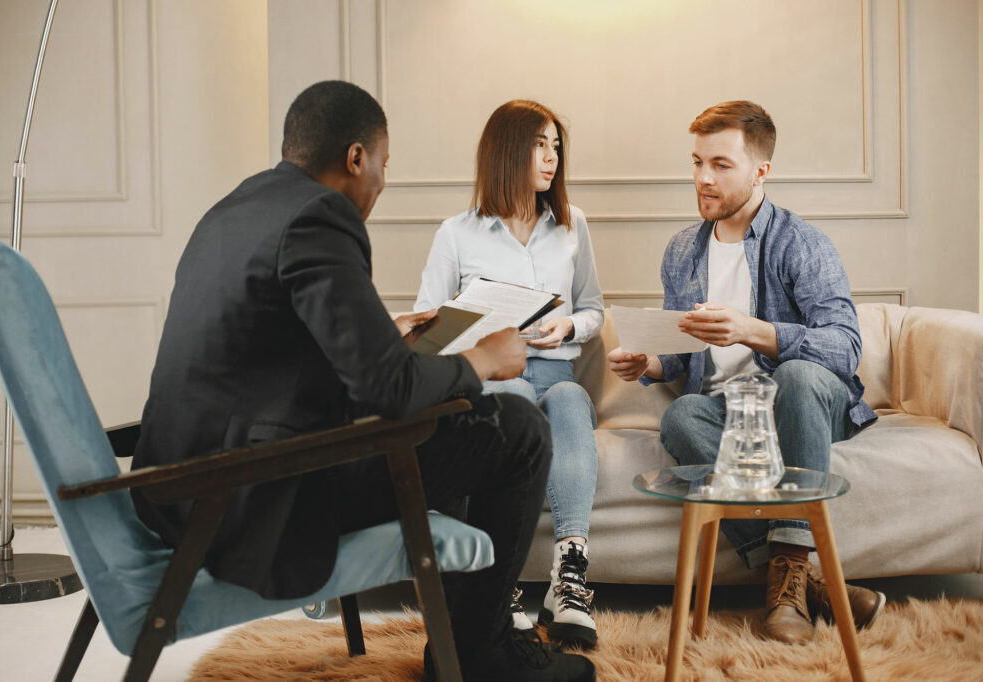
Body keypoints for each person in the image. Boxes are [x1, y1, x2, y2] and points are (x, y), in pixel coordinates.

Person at [131, 81, 594, 682]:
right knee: (520, 428)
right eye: (383, 164)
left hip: (183, 488)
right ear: (355, 157)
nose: (382, 180)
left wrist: (389, 335)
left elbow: (270, 357)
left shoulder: (233, 209)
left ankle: (461, 636)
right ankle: (484, 654)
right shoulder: (321, 216)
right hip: (256, 499)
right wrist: (482, 358)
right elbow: (389, 392)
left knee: (454, 417)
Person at [607, 101, 885, 644]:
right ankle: (803, 580)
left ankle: (788, 582)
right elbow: (688, 356)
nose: (703, 179)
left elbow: (844, 348)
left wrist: (752, 330)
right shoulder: (684, 250)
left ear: (761, 171)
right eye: (696, 163)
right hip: (732, 412)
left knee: (800, 379)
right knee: (682, 416)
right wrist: (651, 362)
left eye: (720, 165)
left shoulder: (801, 243)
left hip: (803, 402)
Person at [415, 100, 604, 649]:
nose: (551, 158)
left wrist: (567, 326)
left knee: (569, 397)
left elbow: (594, 308)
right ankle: (501, 590)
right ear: (506, 151)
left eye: (556, 146)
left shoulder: (572, 225)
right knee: (513, 395)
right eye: (539, 145)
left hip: (556, 369)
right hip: (498, 375)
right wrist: (482, 335)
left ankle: (569, 579)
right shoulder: (456, 233)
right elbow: (428, 329)